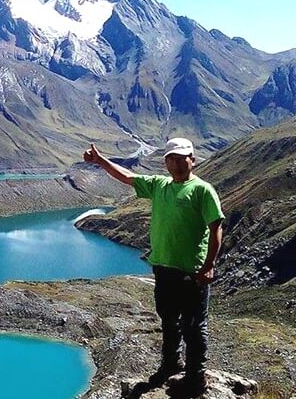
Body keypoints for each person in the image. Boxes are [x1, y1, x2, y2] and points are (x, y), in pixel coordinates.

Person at [84, 138, 224, 395]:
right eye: (172, 159)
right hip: (163, 268)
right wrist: (100, 161)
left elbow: (216, 227)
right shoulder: (159, 185)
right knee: (169, 321)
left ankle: (195, 376)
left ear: (192, 160)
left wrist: (209, 265)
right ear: (166, 162)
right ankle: (171, 365)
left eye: (182, 159)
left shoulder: (203, 190)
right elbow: (127, 177)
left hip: (192, 271)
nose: (177, 164)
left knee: (194, 326)